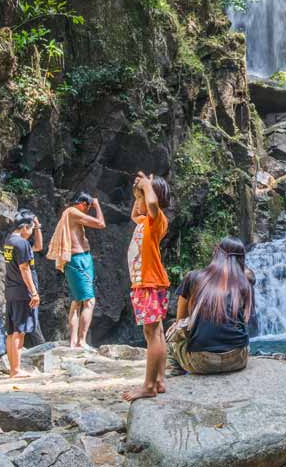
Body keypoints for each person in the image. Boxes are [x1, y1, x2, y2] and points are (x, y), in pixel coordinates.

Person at [168, 237, 252, 375]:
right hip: (238, 359)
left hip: (200, 361)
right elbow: (244, 320)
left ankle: (176, 374)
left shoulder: (193, 276)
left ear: (216, 253)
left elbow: (180, 321)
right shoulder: (244, 283)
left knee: (171, 338)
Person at [123, 172, 172, 402]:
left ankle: (149, 385)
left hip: (149, 283)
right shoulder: (144, 221)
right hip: (148, 283)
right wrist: (139, 191)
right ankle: (160, 380)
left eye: (141, 198)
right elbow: (135, 213)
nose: (140, 203)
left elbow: (151, 203)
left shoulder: (156, 219)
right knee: (157, 332)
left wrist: (146, 186)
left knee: (151, 334)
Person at [49, 192, 106, 348]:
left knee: (76, 302)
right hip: (78, 260)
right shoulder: (73, 212)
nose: (87, 210)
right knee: (89, 301)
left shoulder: (69, 214)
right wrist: (97, 204)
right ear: (82, 203)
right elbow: (101, 224)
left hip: (77, 260)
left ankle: (74, 341)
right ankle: (81, 341)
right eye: (87, 207)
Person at [3, 210, 42, 378]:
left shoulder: (10, 241)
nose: (32, 232)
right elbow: (24, 268)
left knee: (12, 331)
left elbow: (38, 247)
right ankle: (16, 370)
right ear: (25, 227)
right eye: (32, 229)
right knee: (20, 331)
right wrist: (33, 292)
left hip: (11, 290)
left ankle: (13, 369)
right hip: (22, 291)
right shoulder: (21, 244)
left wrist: (38, 227)